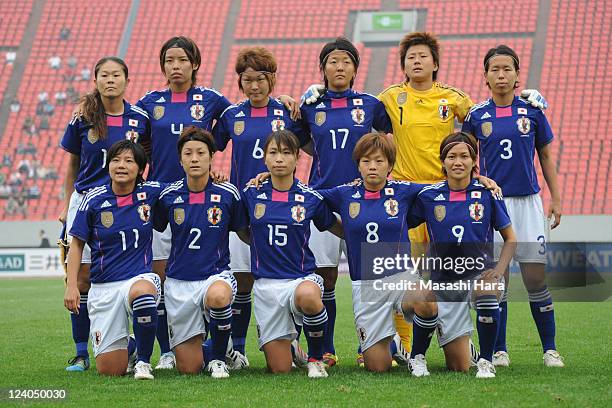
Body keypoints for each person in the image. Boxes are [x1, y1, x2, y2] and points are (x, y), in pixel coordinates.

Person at [462, 45, 564, 368]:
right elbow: (464, 158)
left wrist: (556, 198)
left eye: (508, 69)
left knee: (535, 278)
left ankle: (549, 349)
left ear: (518, 75)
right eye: (495, 69)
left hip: (529, 204)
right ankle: (500, 350)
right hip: (493, 205)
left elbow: (546, 156)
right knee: (496, 278)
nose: (501, 75)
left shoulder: (532, 111)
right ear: (485, 76)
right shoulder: (476, 116)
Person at [135, 36, 232, 370]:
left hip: (203, 196)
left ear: (195, 63)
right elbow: (134, 140)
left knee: (206, 273)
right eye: (169, 61)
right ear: (162, 65)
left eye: (182, 60)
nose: (175, 66)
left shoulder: (211, 99)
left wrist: (212, 155)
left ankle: (224, 348)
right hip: (164, 196)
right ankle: (165, 350)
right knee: (162, 279)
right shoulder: (149, 101)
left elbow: (240, 118)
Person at [300, 37, 393, 367]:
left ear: (355, 68)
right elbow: (300, 143)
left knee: (372, 273)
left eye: (345, 61)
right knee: (325, 276)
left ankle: (372, 343)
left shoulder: (370, 104)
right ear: (323, 68)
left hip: (365, 199)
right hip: (324, 198)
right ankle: (326, 348)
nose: (339, 67)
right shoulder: (311, 106)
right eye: (332, 61)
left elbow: (387, 143)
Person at [212, 46, 307, 365]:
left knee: (285, 278)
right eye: (248, 79)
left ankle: (291, 342)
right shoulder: (230, 115)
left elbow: (308, 145)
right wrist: (212, 171)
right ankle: (237, 349)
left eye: (261, 79)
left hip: (282, 208)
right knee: (241, 281)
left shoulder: (287, 113)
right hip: (243, 209)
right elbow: (207, 146)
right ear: (240, 81)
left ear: (272, 80)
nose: (254, 86)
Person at [59, 56, 149, 372]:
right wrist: (66, 203)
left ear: (126, 79)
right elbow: (72, 164)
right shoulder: (82, 118)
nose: (110, 80)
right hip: (86, 202)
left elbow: (144, 158)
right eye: (104, 75)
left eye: (116, 75)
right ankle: (82, 352)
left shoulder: (139, 118)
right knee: (80, 278)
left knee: (133, 274)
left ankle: (137, 345)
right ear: (95, 80)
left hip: (125, 203)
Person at [318, 133, 436, 372]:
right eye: (366, 161)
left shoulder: (404, 191)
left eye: (379, 161)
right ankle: (392, 343)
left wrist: (480, 181)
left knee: (427, 301)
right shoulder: (343, 194)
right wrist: (269, 178)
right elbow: (304, 196)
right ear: (358, 165)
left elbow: (446, 189)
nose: (372, 166)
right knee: (377, 367)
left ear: (390, 165)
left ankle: (417, 357)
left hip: (401, 277)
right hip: (366, 284)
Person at [409, 132, 517, 378]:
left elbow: (511, 238)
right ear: (443, 162)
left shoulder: (489, 193)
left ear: (473, 161)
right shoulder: (428, 196)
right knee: (458, 365)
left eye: (464, 156)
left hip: (478, 275)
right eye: (451, 156)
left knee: (488, 291)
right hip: (443, 282)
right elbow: (399, 224)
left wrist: (498, 272)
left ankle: (487, 362)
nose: (458, 162)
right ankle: (419, 356)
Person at [240, 130, 343, 377]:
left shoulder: (310, 198)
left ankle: (316, 359)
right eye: (273, 153)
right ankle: (292, 346)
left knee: (309, 296)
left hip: (301, 279)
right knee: (280, 369)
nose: (279, 159)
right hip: (265, 285)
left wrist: (366, 240)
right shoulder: (251, 194)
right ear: (264, 158)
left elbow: (334, 226)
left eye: (286, 153)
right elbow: (242, 230)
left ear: (297, 158)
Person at [64, 140, 163, 380]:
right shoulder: (93, 199)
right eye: (116, 160)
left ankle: (143, 362)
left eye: (129, 161)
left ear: (141, 169)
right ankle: (129, 345)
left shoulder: (151, 192)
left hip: (138, 278)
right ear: (108, 166)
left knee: (143, 297)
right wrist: (72, 285)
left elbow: (189, 185)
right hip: (103, 287)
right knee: (110, 370)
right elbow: (76, 243)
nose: (121, 165)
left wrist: (215, 174)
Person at [154, 127, 247, 378]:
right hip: (179, 282)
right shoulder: (167, 196)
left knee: (218, 297)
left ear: (211, 157)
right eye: (188, 153)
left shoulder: (228, 193)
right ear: (180, 159)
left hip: (215, 276)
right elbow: (154, 224)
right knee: (189, 368)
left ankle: (218, 359)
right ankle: (221, 346)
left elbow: (244, 231)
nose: (194, 158)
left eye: (200, 153)